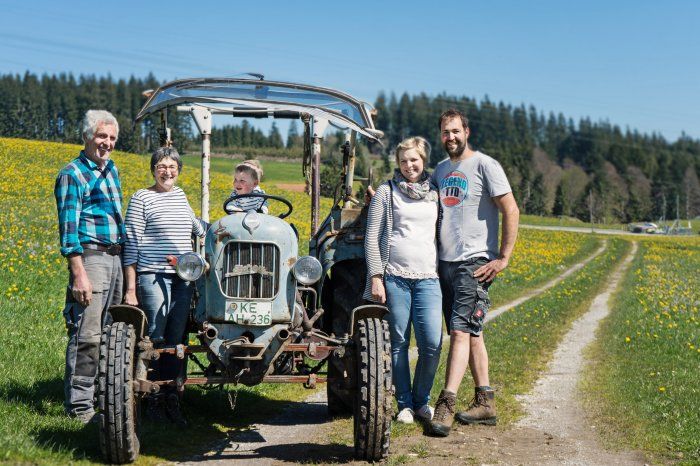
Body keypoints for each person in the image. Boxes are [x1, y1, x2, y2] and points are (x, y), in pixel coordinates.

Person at [428, 109, 520, 437]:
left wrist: (503, 257)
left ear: (467, 131)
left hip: (474, 262)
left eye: (455, 130)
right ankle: (486, 403)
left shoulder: (485, 165)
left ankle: (446, 404)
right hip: (446, 263)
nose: (450, 137)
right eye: (445, 132)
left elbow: (510, 209)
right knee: (470, 332)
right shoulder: (439, 171)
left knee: (460, 332)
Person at [123, 146, 205, 425]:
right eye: (161, 166)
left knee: (177, 337)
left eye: (172, 167)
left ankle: (172, 397)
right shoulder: (141, 198)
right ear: (153, 169)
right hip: (152, 274)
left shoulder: (181, 196)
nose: (167, 172)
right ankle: (152, 399)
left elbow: (197, 227)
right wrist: (131, 288)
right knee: (156, 335)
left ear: (179, 170)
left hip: (183, 277)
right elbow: (131, 244)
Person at [364, 136, 442, 424]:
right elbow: (372, 237)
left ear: (423, 161)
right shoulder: (387, 192)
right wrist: (375, 276)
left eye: (414, 160)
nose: (409, 166)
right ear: (397, 164)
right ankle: (404, 404)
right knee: (398, 342)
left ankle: (422, 400)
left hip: (428, 278)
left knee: (432, 343)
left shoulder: (435, 190)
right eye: (404, 161)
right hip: (395, 276)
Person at [55, 109, 124, 424]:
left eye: (111, 138)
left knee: (111, 333)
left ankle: (103, 399)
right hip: (92, 259)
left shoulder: (111, 170)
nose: (107, 143)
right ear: (86, 136)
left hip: (116, 259)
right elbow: (69, 230)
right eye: (101, 136)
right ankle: (80, 407)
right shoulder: (73, 173)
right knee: (87, 334)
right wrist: (78, 273)